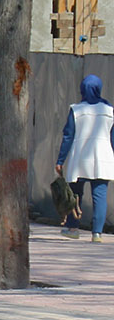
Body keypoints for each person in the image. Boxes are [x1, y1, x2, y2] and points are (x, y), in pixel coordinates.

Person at [58, 73, 114, 241]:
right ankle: (97, 233)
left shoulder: (77, 109)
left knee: (75, 193)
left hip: (80, 157)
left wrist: (60, 160)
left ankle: (73, 228)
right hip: (103, 157)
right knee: (100, 195)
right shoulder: (109, 111)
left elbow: (68, 136)